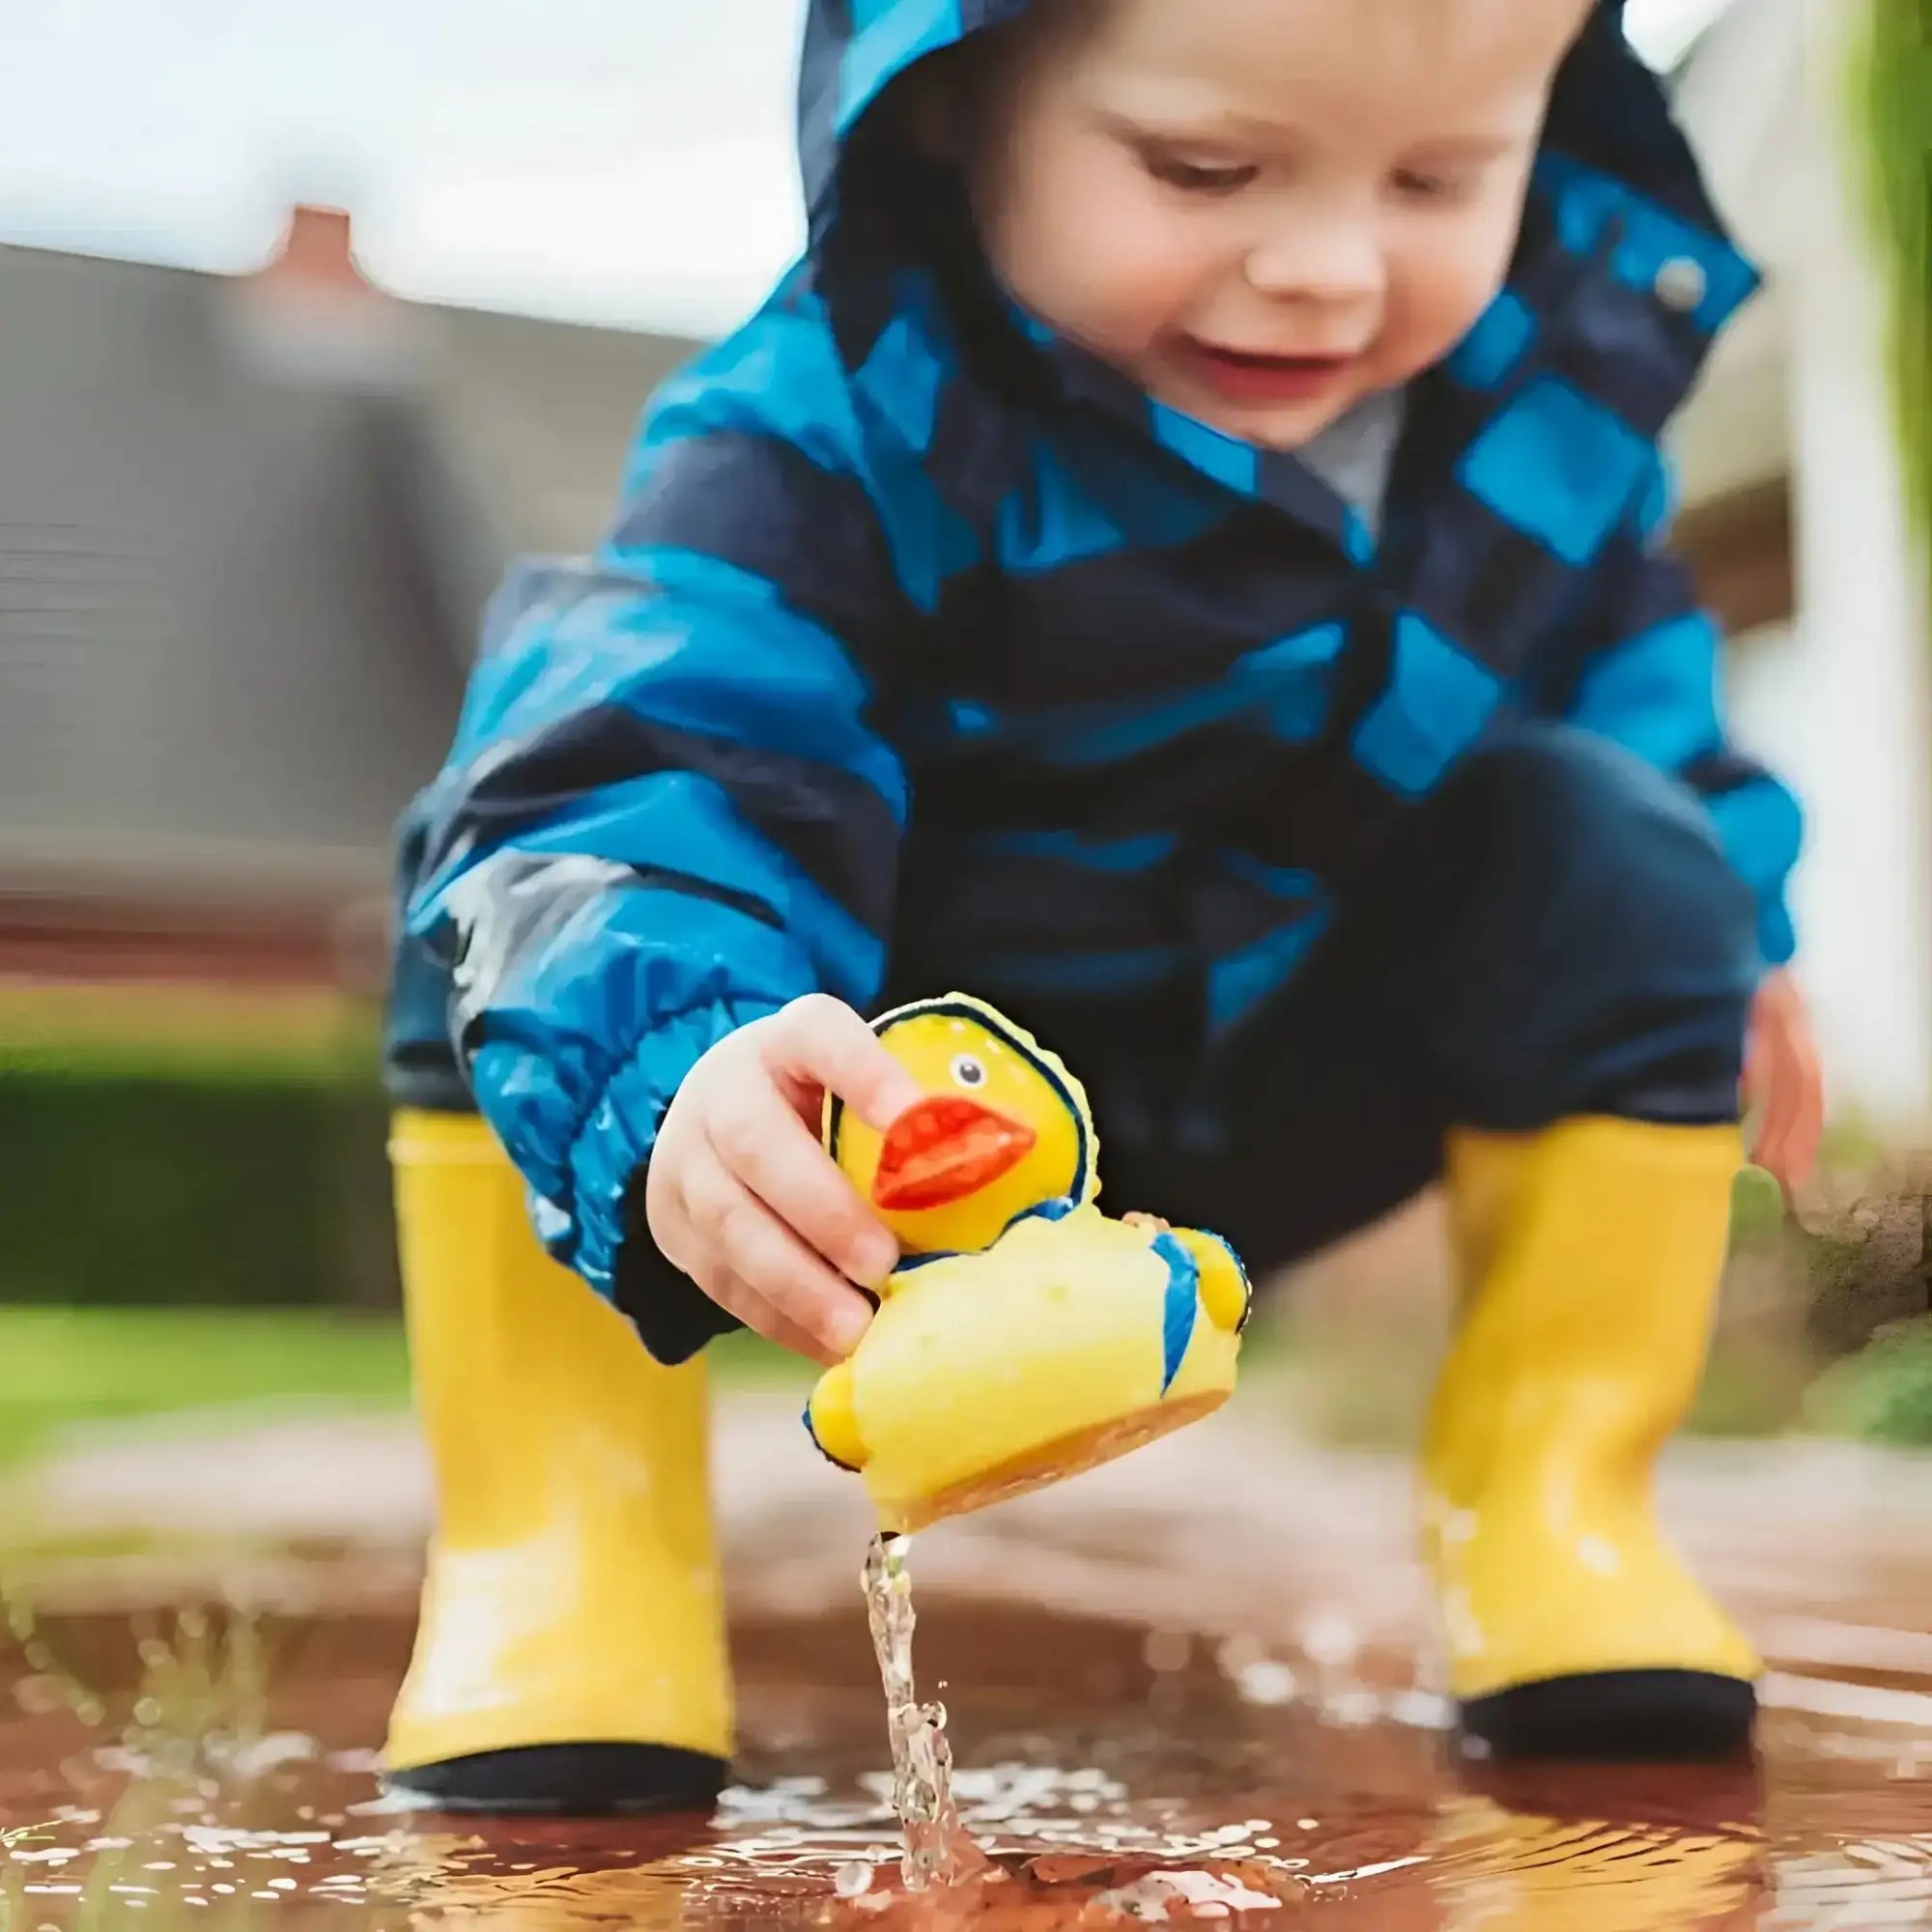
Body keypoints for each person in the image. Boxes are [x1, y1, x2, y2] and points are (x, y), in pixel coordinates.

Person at [380, 0, 1825, 1812]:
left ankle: (1555, 1513)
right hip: (902, 1124)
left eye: (1439, 177)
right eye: (1204, 168)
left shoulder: (1541, 416)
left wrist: (1726, 925)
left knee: (1616, 838)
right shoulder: (834, 421)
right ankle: (565, 1550)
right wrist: (682, 1065)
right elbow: (659, 736)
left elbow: (1628, 678)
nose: (1324, 268)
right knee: (529, 883)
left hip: (1281, 1077)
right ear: (950, 107)